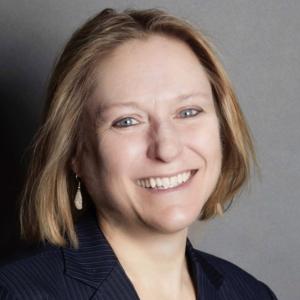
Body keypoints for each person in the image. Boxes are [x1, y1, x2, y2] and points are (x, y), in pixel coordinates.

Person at [0, 8, 278, 300]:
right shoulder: (15, 293)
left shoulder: (251, 293)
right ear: (75, 153)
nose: (167, 149)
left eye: (188, 112)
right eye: (127, 121)